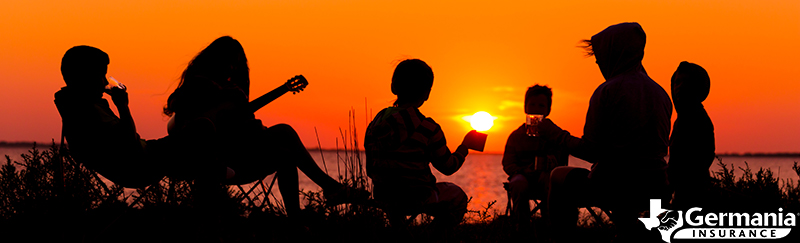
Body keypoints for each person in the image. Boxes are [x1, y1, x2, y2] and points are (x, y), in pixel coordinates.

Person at [163, 36, 368, 218]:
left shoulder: (234, 93)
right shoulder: (199, 84)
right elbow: (174, 105)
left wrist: (250, 124)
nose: (232, 69)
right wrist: (220, 94)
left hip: (237, 159)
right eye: (229, 63)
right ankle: (331, 188)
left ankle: (296, 220)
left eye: (236, 65)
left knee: (285, 155)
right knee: (284, 132)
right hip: (209, 163)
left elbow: (240, 129)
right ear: (215, 61)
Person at [537, 22, 672, 242]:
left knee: (558, 175)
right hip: (656, 186)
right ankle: (628, 231)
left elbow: (591, 151)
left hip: (614, 186)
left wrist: (556, 134)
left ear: (613, 54)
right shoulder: (661, 93)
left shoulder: (607, 91)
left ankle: (561, 240)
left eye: (601, 58)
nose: (599, 64)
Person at [364, 59, 479, 227]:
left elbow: (369, 169)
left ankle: (401, 233)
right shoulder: (428, 127)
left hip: (383, 195)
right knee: (457, 196)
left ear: (393, 87)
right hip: (417, 197)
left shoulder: (375, 123)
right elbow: (448, 167)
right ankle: (433, 240)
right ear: (427, 93)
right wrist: (464, 147)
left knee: (395, 197)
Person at [54, 45, 164, 188]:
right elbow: (129, 142)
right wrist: (122, 106)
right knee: (200, 133)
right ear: (86, 77)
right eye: (101, 75)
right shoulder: (88, 111)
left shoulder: (73, 104)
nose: (106, 82)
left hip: (144, 156)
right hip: (141, 165)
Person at [502, 84, 568, 226]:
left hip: (546, 176)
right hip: (522, 175)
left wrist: (552, 163)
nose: (536, 109)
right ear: (525, 107)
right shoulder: (516, 136)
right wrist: (522, 171)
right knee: (518, 183)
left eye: (541, 106)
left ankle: (550, 224)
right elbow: (508, 163)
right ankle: (522, 225)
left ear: (548, 110)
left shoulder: (554, 135)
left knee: (549, 182)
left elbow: (562, 162)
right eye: (532, 104)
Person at [667, 61, 715, 210]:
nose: (679, 86)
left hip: (693, 196)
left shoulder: (695, 118)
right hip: (685, 192)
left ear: (698, 87)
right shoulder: (683, 117)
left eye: (686, 82)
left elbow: (705, 156)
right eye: (677, 82)